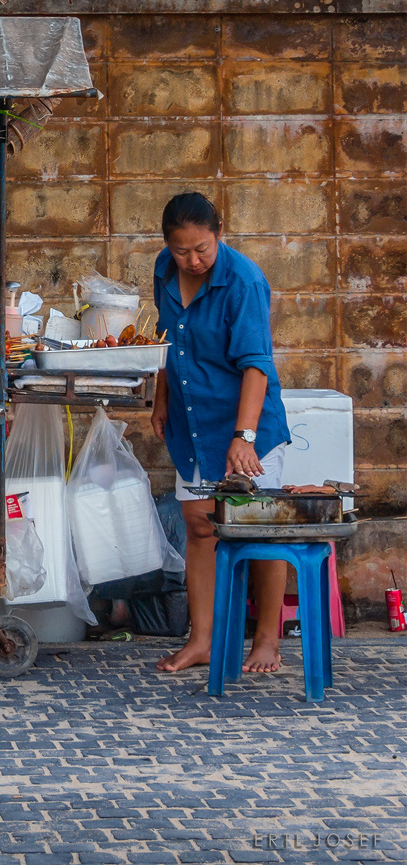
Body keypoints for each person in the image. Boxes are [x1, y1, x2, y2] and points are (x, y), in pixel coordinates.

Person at [150, 193, 292, 675]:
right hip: (192, 423)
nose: (192, 260)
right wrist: (162, 396)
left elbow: (257, 366)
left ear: (220, 232)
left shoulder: (245, 282)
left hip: (247, 426)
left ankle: (267, 642)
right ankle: (203, 640)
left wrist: (244, 436)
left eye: (202, 249)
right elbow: (169, 343)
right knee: (199, 527)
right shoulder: (164, 272)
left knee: (259, 533)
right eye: (181, 250)